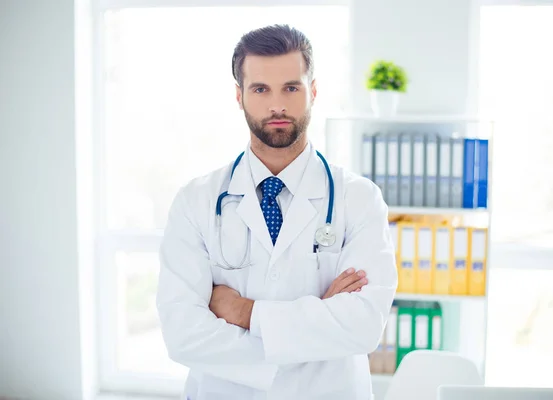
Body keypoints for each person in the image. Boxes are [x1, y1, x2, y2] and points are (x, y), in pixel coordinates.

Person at [156, 24, 397, 400]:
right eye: (260, 89)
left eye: (291, 87)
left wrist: (243, 312)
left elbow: (363, 327)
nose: (277, 106)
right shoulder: (196, 201)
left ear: (313, 91)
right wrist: (315, 333)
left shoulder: (360, 199)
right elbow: (183, 333)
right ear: (239, 96)